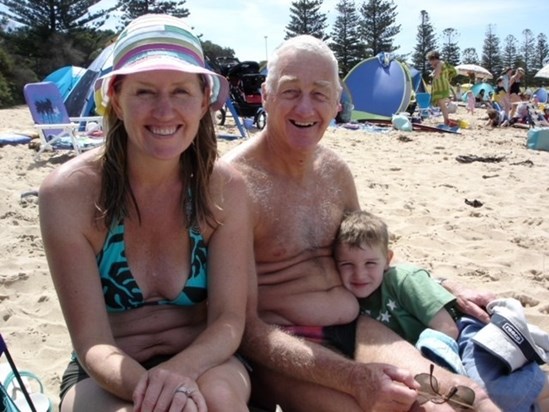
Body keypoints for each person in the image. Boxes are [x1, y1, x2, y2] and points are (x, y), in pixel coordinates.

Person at [224, 35, 500, 411]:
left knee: (462, 398)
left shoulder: (335, 171)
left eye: (320, 94)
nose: (305, 107)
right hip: (284, 348)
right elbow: (243, 326)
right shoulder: (233, 182)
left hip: (357, 326)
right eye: (290, 91)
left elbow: (366, 253)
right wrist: (352, 378)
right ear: (267, 96)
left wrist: (443, 285)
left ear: (337, 103)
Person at [39, 14, 252, 412]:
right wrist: (155, 393)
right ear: (116, 99)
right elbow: (92, 343)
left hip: (206, 358)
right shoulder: (68, 194)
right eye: (144, 92)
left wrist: (179, 377)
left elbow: (227, 321)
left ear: (204, 99)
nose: (164, 111)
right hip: (106, 368)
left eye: (181, 92)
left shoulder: (225, 189)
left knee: (221, 400)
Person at [333, 210, 549, 412]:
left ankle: (541, 389)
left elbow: (447, 327)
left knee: (487, 391)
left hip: (462, 335)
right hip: (433, 347)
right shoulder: (350, 301)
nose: (359, 274)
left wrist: (428, 362)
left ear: (388, 260)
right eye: (347, 265)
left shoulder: (404, 280)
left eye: (370, 263)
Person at [426, 50, 452, 126]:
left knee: (442, 105)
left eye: (430, 61)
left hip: (442, 88)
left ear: (433, 59)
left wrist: (434, 70)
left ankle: (446, 121)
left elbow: (437, 76)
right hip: (443, 87)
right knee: (442, 105)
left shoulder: (439, 64)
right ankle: (446, 120)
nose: (430, 63)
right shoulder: (442, 64)